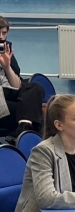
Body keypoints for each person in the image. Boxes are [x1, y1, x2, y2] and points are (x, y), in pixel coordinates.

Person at [0, 16, 45, 144]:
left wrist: (7, 67)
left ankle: (22, 129)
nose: (1, 37)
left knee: (35, 87)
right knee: (37, 115)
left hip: (10, 93)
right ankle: (24, 133)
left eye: (4, 33)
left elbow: (16, 86)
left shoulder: (6, 50)